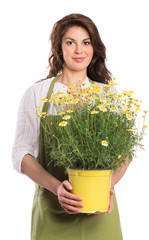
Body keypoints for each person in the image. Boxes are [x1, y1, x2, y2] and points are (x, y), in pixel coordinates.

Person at [12, 13, 130, 240]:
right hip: (51, 210)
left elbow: (124, 151)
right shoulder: (37, 94)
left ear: (94, 48)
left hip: (99, 211)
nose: (79, 50)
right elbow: (20, 153)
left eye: (85, 42)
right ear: (58, 48)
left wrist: (107, 186)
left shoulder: (107, 94)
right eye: (70, 42)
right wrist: (57, 188)